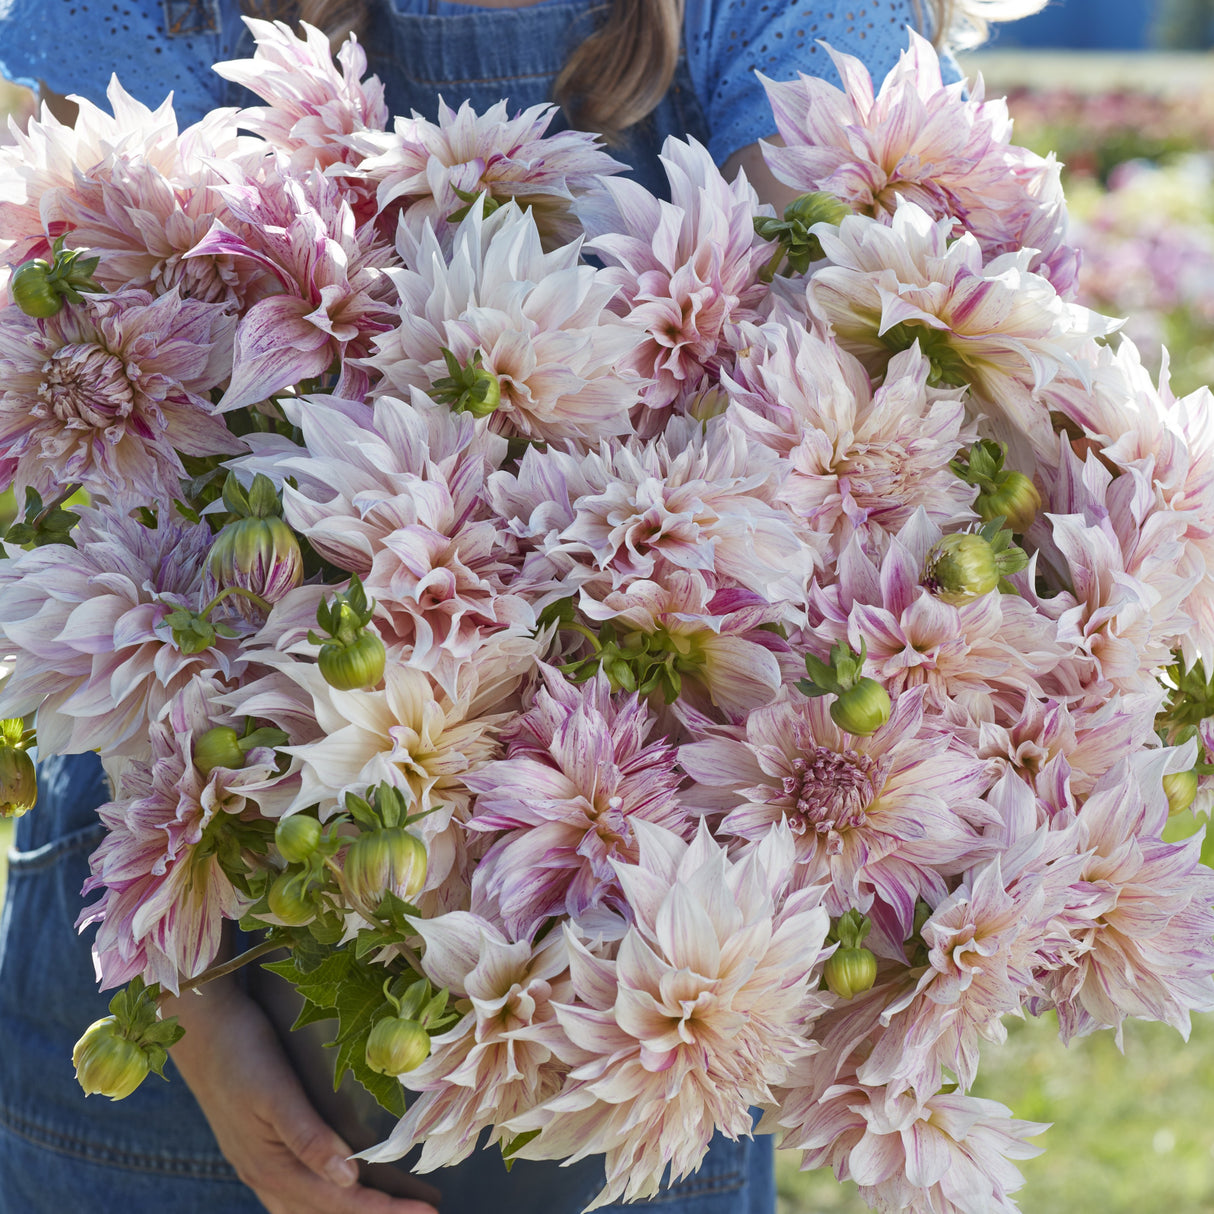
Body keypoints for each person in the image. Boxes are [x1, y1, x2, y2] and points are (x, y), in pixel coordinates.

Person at [0, 2, 963, 1212]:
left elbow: (858, 319)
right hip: (175, 957)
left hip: (632, 1020)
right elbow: (73, 462)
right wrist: (183, 1002)